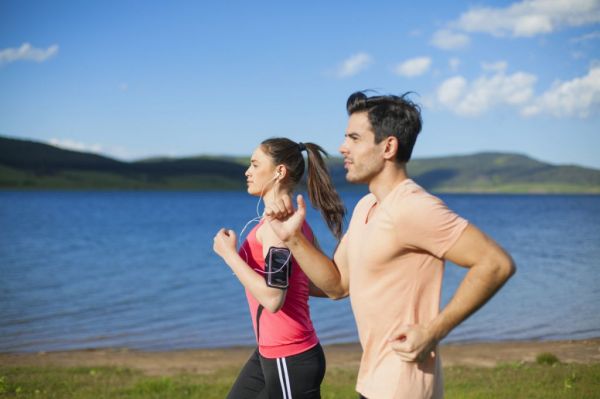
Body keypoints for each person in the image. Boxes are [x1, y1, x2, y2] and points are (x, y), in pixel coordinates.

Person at [263, 92, 516, 399]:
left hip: (403, 383)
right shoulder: (367, 206)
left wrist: (433, 332)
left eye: (354, 138)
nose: (343, 148)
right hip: (373, 378)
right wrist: (292, 239)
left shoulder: (413, 207)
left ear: (388, 147)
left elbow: (495, 263)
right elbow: (338, 286)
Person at [213, 137, 345, 399]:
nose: (247, 171)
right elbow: (310, 284)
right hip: (271, 352)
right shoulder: (292, 224)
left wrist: (230, 256)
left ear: (279, 172)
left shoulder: (278, 228)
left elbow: (273, 298)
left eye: (254, 164)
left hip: (289, 356)